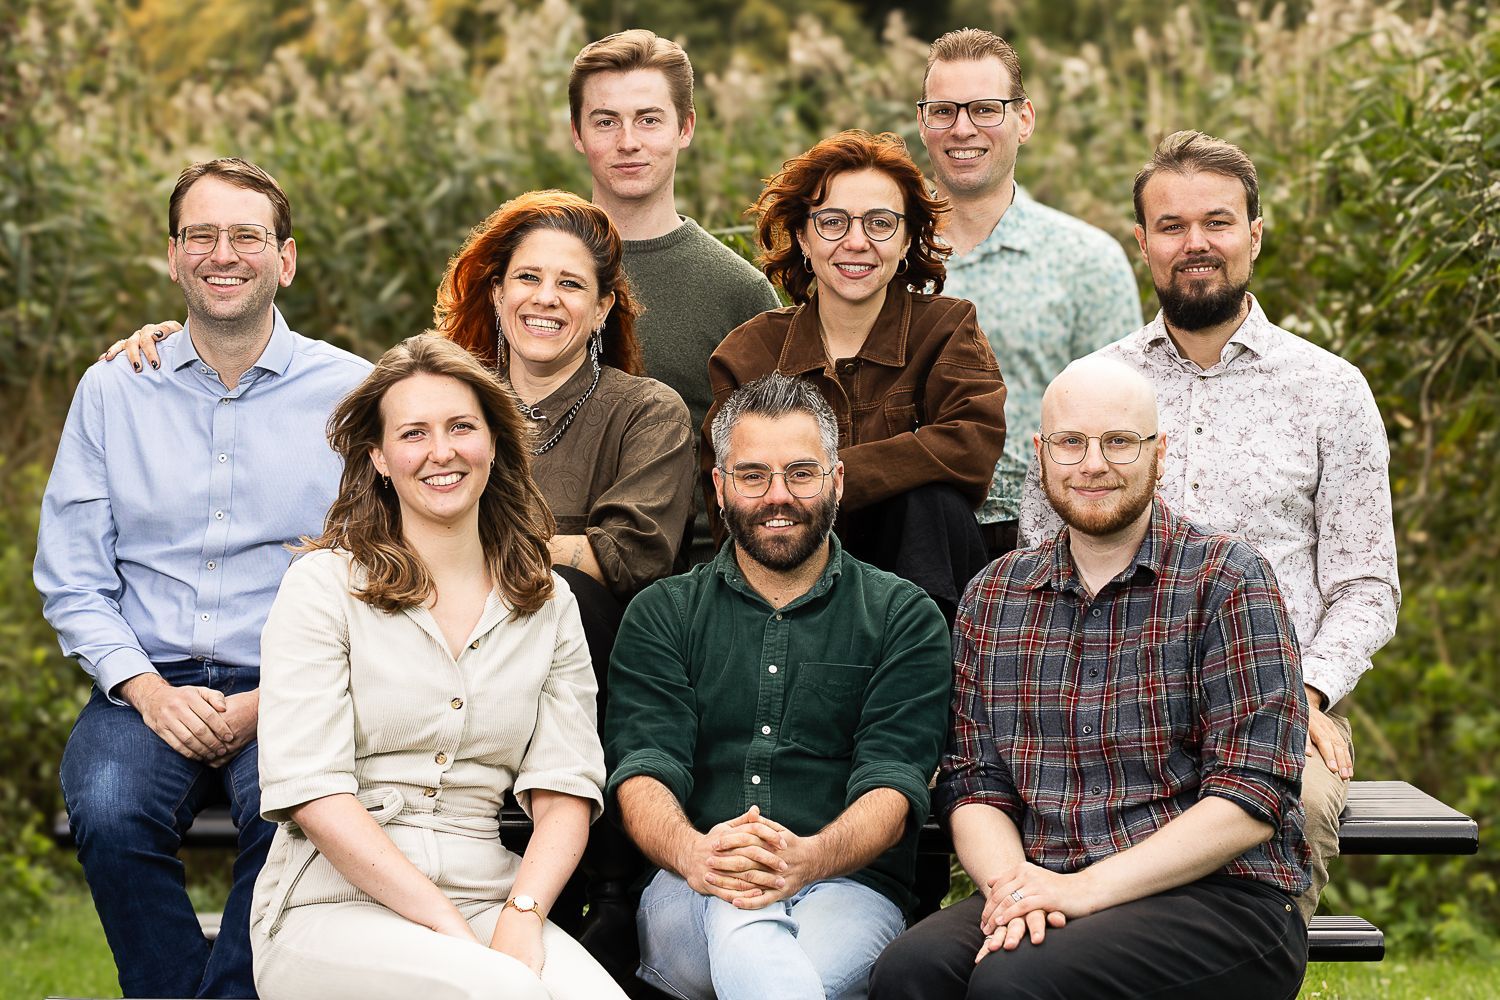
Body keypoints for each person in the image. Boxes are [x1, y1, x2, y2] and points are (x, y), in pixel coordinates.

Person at [1021, 130, 1401, 921]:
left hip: (1272, 701)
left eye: (1218, 222)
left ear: (1255, 235)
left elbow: (1367, 584)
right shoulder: (1093, 389)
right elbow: (1039, 557)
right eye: (1171, 225)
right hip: (1109, 696)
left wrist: (1305, 691)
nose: (1196, 243)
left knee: (1277, 830)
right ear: (1144, 243)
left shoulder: (1330, 391)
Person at [870, 357, 1310, 1000]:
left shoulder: (1229, 579)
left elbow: (1252, 797)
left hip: (1223, 897)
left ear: (1160, 453)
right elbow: (973, 783)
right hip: (1047, 877)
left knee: (1013, 985)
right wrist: (1015, 891)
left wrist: (1079, 893)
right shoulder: (997, 594)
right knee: (911, 974)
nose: (1093, 464)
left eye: (1119, 442)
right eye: (1071, 442)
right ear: (1040, 454)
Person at [35, 157, 372, 998]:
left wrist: (273, 697)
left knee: (300, 816)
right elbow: (72, 576)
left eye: (247, 236)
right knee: (110, 812)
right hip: (147, 684)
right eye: (202, 235)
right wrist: (148, 693)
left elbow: (381, 565)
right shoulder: (113, 389)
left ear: (284, 259)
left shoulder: (353, 394)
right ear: (176, 256)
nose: (224, 254)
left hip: (296, 684)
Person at [250, 334, 624, 999]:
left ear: (493, 444)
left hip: (489, 893)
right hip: (331, 905)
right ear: (381, 459)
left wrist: (523, 917)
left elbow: (565, 786)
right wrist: (456, 937)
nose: (441, 451)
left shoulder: (547, 602)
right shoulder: (322, 589)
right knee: (500, 994)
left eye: (460, 427)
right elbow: (317, 795)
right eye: (414, 433)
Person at [606, 373, 952, 1000]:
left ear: (836, 482)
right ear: (719, 486)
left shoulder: (903, 615)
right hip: (688, 885)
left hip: (848, 888)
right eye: (752, 475)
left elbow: (894, 781)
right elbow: (644, 766)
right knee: (745, 911)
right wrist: (698, 855)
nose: (777, 496)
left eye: (800, 473)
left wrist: (807, 858)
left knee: (762, 953)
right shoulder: (663, 613)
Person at [705, 130, 1006, 622]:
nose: (856, 242)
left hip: (920, 579)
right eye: (832, 222)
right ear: (802, 236)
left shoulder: (946, 330)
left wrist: (824, 476)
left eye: (880, 223)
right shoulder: (749, 353)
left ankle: (921, 670)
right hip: (789, 571)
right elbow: (726, 502)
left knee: (931, 502)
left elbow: (971, 449)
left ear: (908, 238)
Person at [917, 28, 1142, 560]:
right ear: (922, 121)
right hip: (907, 532)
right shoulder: (879, 251)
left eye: (985, 109)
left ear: (1024, 120)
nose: (962, 128)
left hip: (1050, 540)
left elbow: (1124, 421)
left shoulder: (1086, 260)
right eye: (944, 110)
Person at [569, 29, 782, 563]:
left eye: (648, 118)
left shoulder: (738, 291)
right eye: (605, 121)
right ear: (577, 133)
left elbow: (772, 457)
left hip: (689, 581)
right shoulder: (530, 276)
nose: (628, 142)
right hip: (537, 571)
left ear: (685, 127)